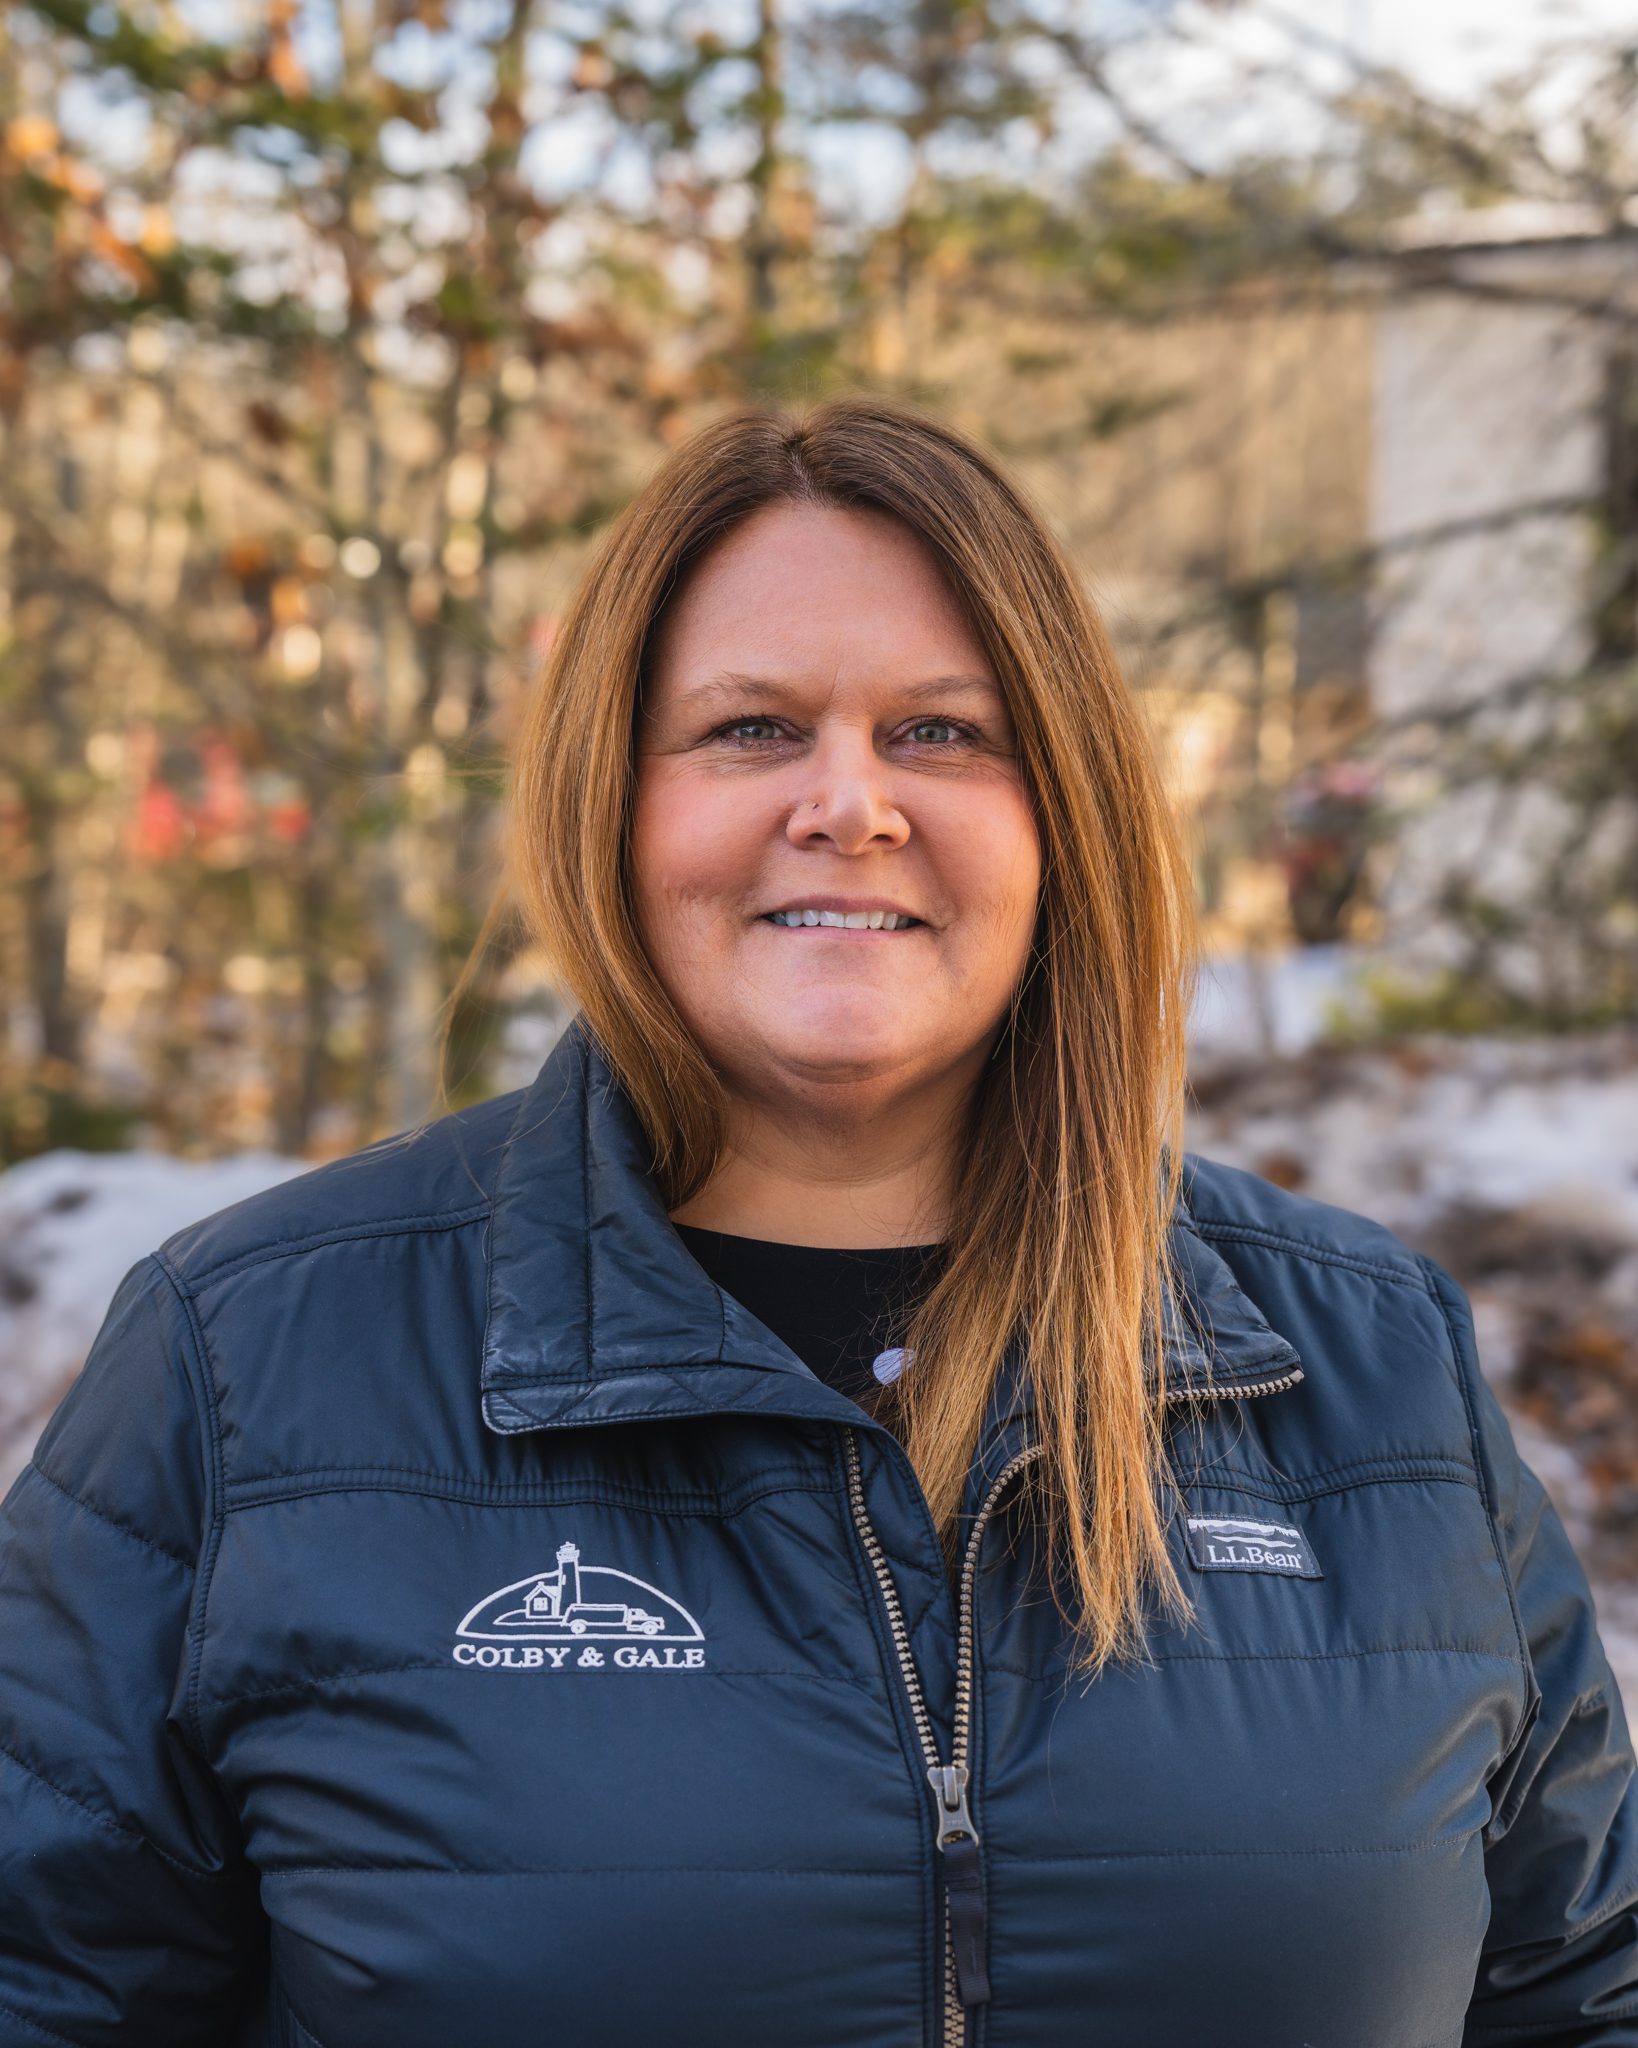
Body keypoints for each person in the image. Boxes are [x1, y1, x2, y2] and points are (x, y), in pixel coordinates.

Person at [2, 394, 1635, 2048]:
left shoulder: (1368, 1370)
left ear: (1062, 811)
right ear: (611, 803)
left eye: (939, 732)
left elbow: (1585, 1994)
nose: (848, 803)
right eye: (749, 730)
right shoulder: (250, 1365)